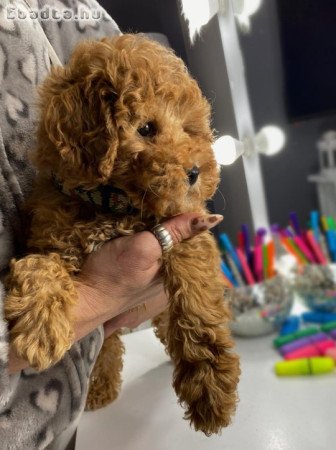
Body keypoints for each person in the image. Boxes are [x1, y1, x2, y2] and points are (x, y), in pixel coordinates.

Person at [0, 1, 223, 449]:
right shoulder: (61, 198)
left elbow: (192, 261)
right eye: (146, 129)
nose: (187, 156)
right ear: (90, 137)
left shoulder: (76, 12)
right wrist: (92, 298)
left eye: (191, 132)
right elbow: (49, 259)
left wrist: (200, 349)